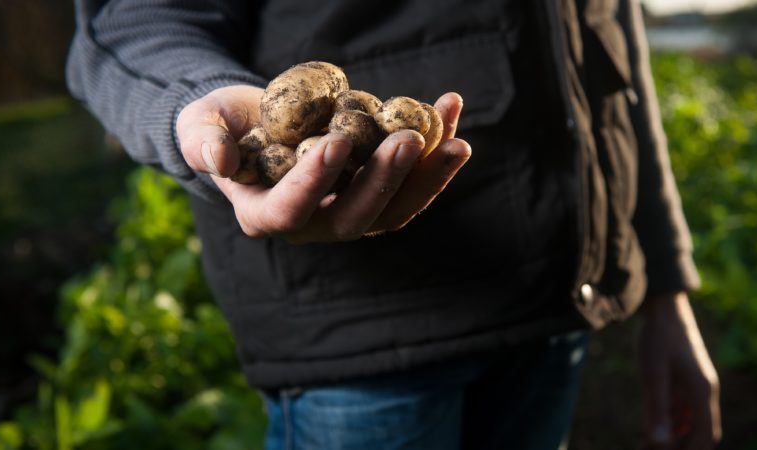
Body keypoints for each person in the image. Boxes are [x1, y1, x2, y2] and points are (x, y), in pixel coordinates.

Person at [66, 0, 721, 448]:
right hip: (364, 337)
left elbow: (612, 49)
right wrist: (193, 104)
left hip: (550, 315)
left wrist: (664, 283)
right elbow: (133, 19)